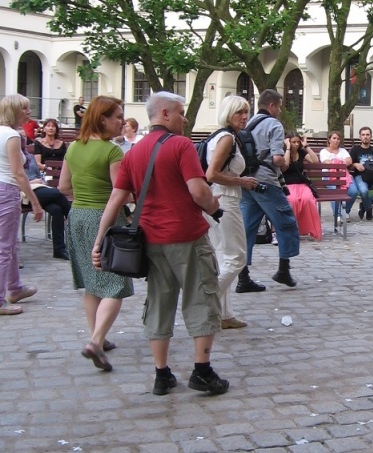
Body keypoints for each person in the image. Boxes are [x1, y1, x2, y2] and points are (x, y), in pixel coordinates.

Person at [91, 91, 229, 397]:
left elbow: (116, 199)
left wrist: (99, 241)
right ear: (164, 113)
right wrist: (214, 207)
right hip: (187, 236)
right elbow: (197, 191)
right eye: (181, 112)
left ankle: (162, 374)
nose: (185, 118)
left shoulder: (134, 153)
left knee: (158, 302)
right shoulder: (181, 146)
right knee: (202, 298)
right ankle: (202, 371)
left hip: (151, 240)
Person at [60, 96, 130, 371]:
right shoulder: (113, 152)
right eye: (117, 117)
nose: (121, 122)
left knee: (92, 281)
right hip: (106, 218)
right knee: (115, 283)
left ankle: (97, 337)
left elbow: (64, 186)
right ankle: (97, 341)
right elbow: (119, 192)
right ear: (103, 119)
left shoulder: (74, 147)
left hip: (77, 215)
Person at [204, 95, 259, 329]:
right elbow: (211, 174)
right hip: (225, 200)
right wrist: (242, 181)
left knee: (224, 256)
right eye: (239, 112)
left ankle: (224, 315)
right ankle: (207, 304)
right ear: (228, 114)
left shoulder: (223, 136)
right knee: (237, 257)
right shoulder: (226, 138)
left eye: (246, 111)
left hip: (218, 199)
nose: (244, 116)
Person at [238, 89, 300, 291]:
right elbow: (277, 158)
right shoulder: (274, 125)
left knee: (246, 228)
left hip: (246, 181)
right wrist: (284, 165)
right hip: (266, 182)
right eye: (279, 106)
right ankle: (283, 269)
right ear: (271, 105)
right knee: (286, 221)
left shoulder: (247, 123)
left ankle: (243, 277)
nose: (280, 111)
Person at [0, 94, 43, 315]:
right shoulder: (11, 136)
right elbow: (18, 174)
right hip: (7, 190)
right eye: (24, 109)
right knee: (5, 247)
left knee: (10, 244)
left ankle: (14, 287)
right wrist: (35, 202)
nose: (28, 111)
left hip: (3, 187)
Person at [23, 140, 71, 260]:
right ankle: (73, 220)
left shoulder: (29, 156)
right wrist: (30, 182)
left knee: (57, 210)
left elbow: (39, 175)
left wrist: (41, 180)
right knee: (56, 194)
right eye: (20, 137)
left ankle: (59, 250)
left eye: (23, 137)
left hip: (40, 187)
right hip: (24, 191)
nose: (23, 140)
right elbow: (12, 179)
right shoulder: (9, 156)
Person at [282, 130, 322, 240]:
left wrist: (306, 146)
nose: (296, 144)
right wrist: (288, 148)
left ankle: (308, 229)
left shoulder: (302, 153)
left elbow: (315, 160)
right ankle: (293, 229)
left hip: (301, 185)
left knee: (308, 200)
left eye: (297, 142)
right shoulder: (283, 152)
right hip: (288, 185)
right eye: (293, 142)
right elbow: (284, 166)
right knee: (293, 201)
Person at [345, 126, 373, 221]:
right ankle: (369, 208)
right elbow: (349, 166)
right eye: (363, 135)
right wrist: (356, 164)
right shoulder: (355, 150)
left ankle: (365, 205)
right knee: (363, 191)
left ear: (371, 137)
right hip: (360, 176)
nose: (365, 137)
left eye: (367, 135)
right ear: (360, 137)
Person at [319, 131, 352, 226]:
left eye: (338, 138)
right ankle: (338, 215)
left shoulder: (343, 151)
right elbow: (327, 162)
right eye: (334, 138)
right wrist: (341, 161)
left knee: (353, 191)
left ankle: (345, 211)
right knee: (334, 191)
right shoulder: (324, 151)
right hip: (329, 176)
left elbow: (349, 161)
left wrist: (336, 161)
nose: (336, 141)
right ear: (329, 139)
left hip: (343, 176)